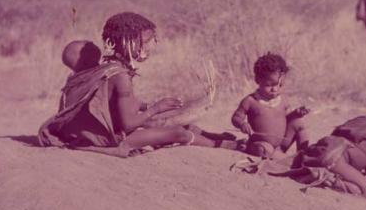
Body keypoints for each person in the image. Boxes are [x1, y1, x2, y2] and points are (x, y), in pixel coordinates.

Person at [38, 12, 238, 157]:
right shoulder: (119, 75)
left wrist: (148, 107)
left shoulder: (104, 70)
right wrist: (156, 108)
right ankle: (221, 146)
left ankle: (216, 137)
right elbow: (127, 124)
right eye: (146, 41)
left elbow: (113, 105)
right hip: (106, 138)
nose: (150, 46)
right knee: (177, 132)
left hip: (92, 132)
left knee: (164, 121)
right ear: (126, 42)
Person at [288, 86, 366, 200]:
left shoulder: (360, 120)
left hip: (320, 149)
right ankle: (328, 180)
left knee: (351, 175)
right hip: (336, 160)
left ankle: (316, 173)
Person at [231, 52, 309, 159]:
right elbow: (236, 118)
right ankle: (288, 161)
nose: (275, 89)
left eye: (280, 85)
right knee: (263, 150)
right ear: (258, 80)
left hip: (281, 145)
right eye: (270, 85)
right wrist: (242, 124)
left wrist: (296, 114)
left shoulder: (283, 100)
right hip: (261, 144)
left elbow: (287, 119)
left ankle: (304, 155)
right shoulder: (250, 101)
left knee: (298, 123)